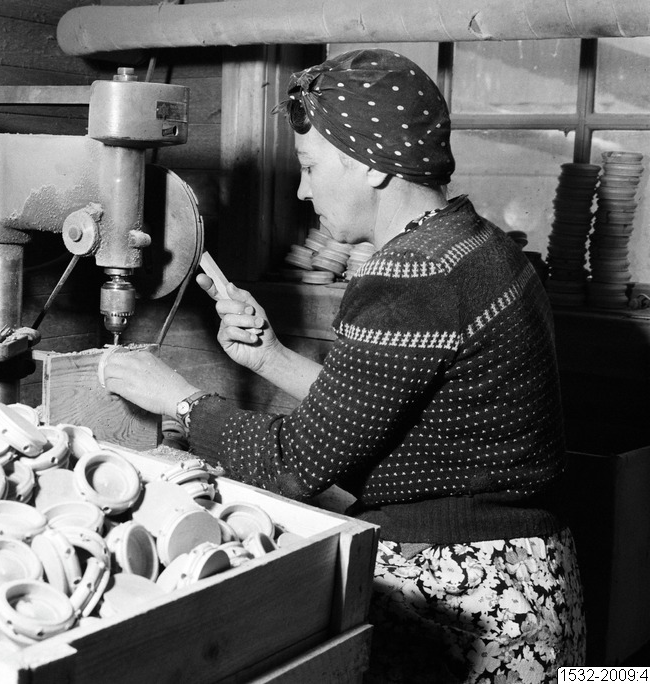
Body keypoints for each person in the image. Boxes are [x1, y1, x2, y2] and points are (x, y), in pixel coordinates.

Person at [102, 49, 585, 682]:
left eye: (310, 166)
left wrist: (179, 400)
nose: (303, 190)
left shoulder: (412, 275)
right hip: (533, 582)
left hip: (466, 594)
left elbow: (294, 465)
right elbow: (384, 413)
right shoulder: (476, 245)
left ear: (372, 164)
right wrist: (269, 355)